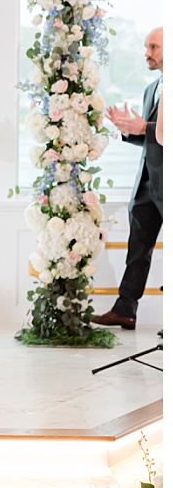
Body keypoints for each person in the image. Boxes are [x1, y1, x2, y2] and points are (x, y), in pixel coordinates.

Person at [93, 26, 162, 331]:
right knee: (137, 251)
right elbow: (153, 137)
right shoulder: (151, 89)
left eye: (154, 47)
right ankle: (125, 310)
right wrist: (127, 128)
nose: (147, 53)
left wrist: (143, 127)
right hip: (147, 184)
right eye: (147, 47)